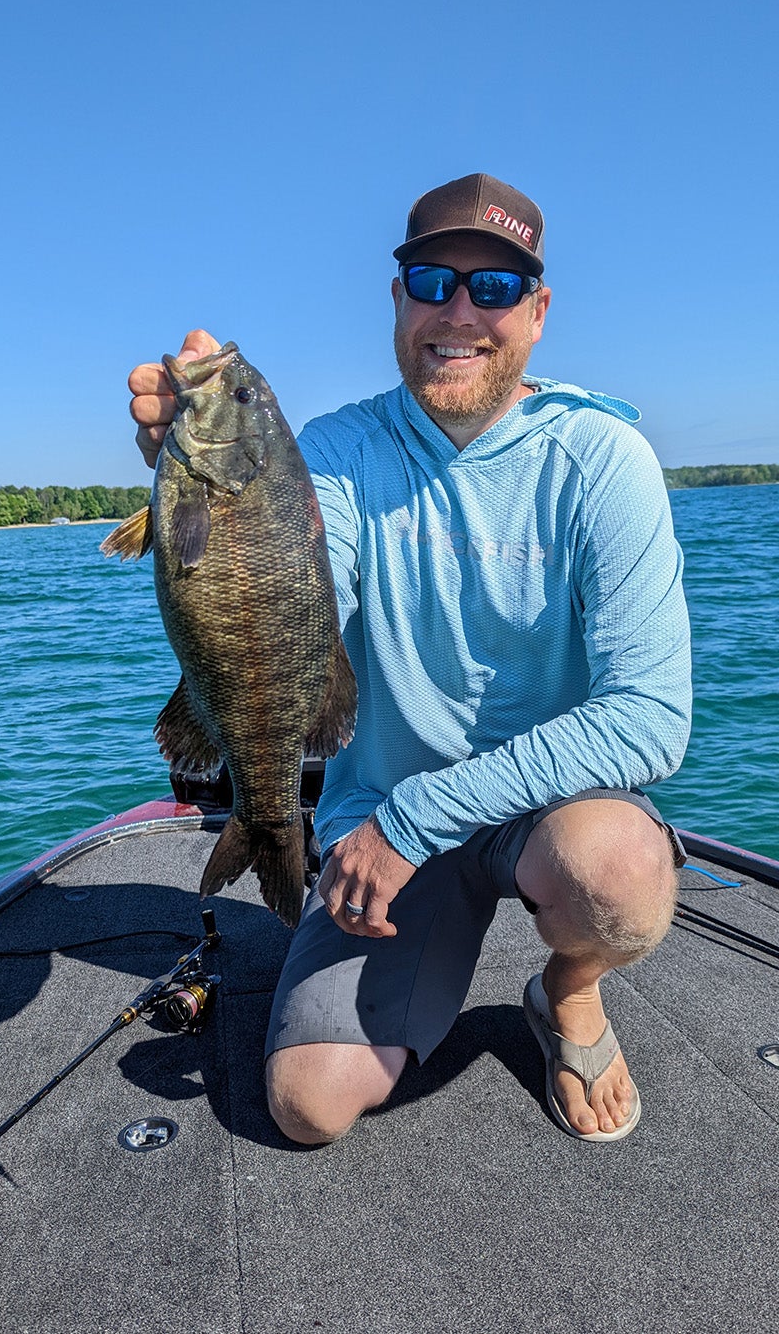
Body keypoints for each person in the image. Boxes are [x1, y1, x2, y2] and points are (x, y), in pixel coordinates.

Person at [130, 172, 691, 1145]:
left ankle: (566, 991)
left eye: (496, 287)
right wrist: (219, 512)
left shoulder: (601, 457)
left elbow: (649, 716)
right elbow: (309, 611)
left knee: (622, 872)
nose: (460, 312)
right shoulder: (337, 450)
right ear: (396, 299)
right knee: (309, 1104)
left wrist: (416, 816)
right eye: (432, 281)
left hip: (527, 812)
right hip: (377, 824)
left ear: (538, 310)